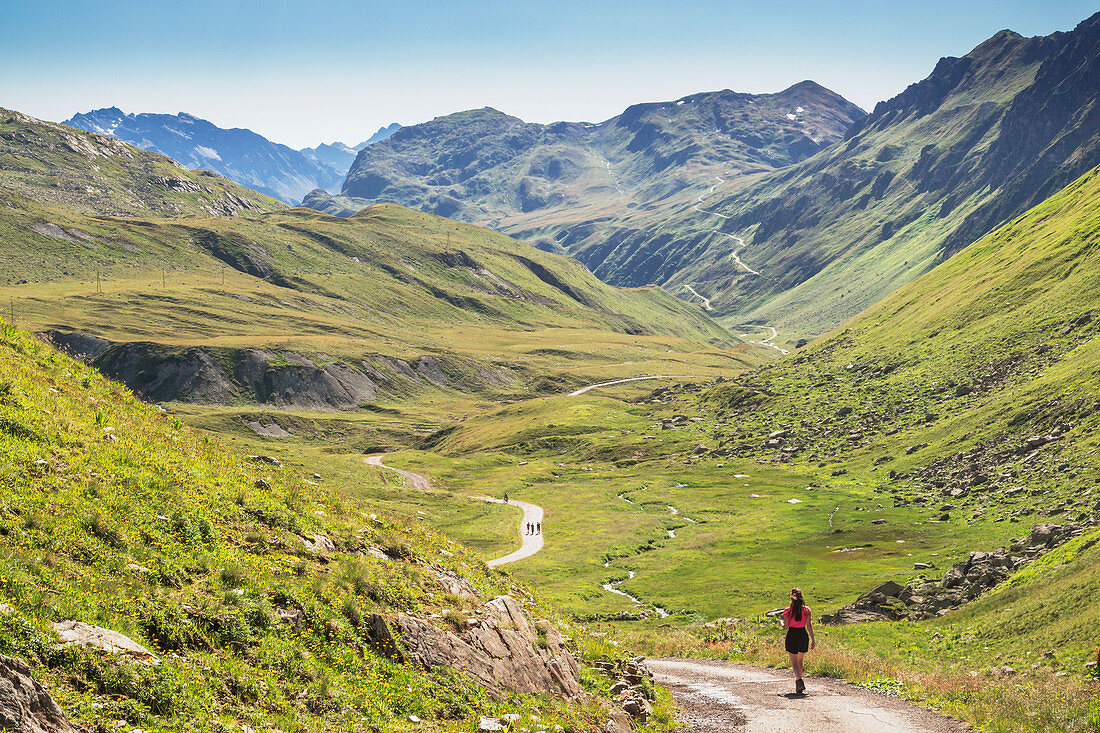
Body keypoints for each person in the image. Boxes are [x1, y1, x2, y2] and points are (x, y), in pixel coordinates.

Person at [781, 587, 815, 694]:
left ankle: (799, 681)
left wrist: (780, 623)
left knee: (794, 662)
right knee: (800, 661)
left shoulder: (788, 611)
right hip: (803, 634)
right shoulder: (806, 610)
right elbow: (809, 625)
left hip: (792, 635)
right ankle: (798, 682)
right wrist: (813, 639)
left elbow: (785, 626)